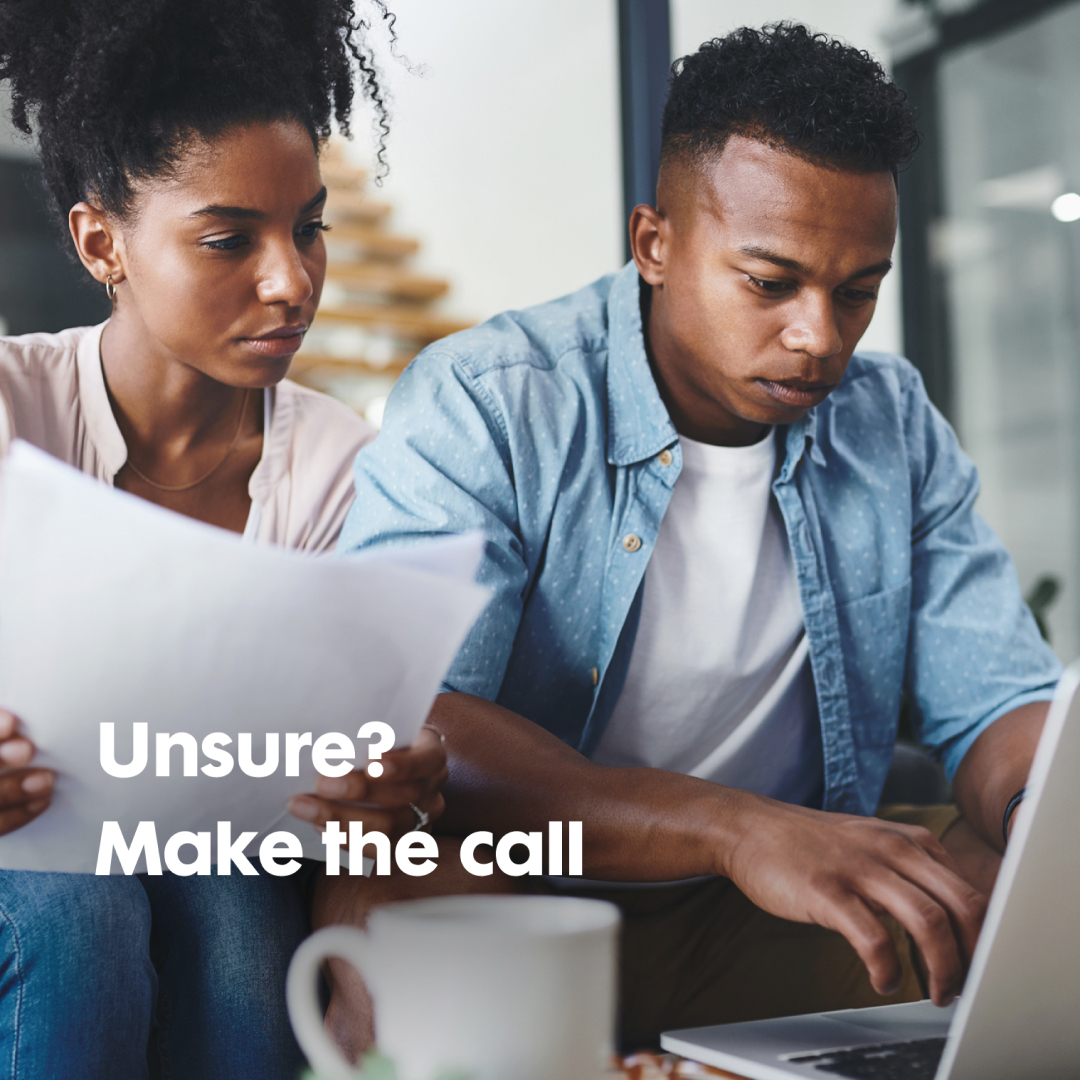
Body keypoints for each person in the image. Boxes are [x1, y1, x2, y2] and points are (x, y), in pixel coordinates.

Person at [318, 23, 1061, 1057]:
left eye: (857, 291)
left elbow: (997, 701)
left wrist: (1041, 819)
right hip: (527, 888)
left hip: (779, 899)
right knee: (407, 904)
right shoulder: (491, 400)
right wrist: (730, 829)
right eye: (771, 281)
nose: (819, 336)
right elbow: (417, 711)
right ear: (654, 245)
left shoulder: (889, 422)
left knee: (1019, 890)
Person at [0, 1, 447, 1077]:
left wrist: (398, 776)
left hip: (209, 840)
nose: (292, 281)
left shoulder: (342, 470)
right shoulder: (14, 410)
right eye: (228, 239)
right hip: (29, 850)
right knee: (79, 912)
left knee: (242, 922)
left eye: (309, 227)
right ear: (101, 243)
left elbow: (363, 751)